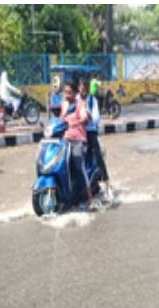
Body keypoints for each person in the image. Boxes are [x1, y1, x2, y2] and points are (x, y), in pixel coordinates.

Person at [59, 79, 93, 210]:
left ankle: (90, 199)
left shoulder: (80, 104)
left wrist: (80, 120)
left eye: (69, 93)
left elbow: (84, 116)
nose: (67, 95)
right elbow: (60, 120)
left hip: (78, 139)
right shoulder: (64, 105)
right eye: (65, 92)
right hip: (65, 139)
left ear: (75, 93)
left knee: (78, 163)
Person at [81, 79, 113, 202]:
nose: (82, 91)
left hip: (90, 131)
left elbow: (96, 118)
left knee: (97, 154)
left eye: (84, 89)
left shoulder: (92, 100)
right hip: (78, 132)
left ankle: (107, 184)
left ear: (88, 89)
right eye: (80, 89)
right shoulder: (76, 100)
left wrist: (89, 118)